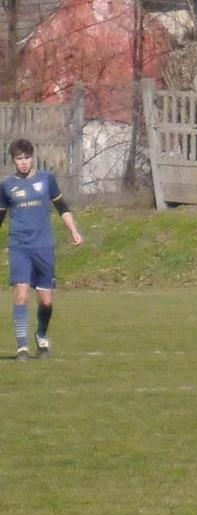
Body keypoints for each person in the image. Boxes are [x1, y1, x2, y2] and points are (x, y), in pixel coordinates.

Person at [1, 139, 83, 359]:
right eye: (19, 158)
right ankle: (22, 347)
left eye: (27, 158)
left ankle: (41, 334)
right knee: (21, 295)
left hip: (44, 246)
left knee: (46, 301)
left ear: (32, 158)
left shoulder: (46, 179)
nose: (24, 162)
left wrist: (73, 231)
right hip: (19, 246)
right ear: (13, 160)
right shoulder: (6, 185)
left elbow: (62, 207)